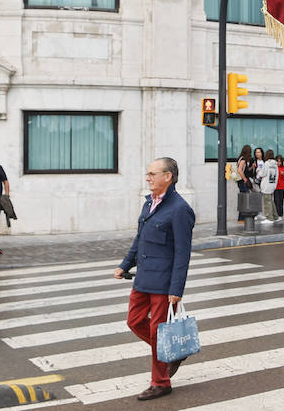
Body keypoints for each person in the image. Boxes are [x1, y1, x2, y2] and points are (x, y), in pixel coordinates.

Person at [116, 157, 195, 402]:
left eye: (152, 173)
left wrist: (176, 289)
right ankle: (170, 354)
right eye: (147, 173)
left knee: (158, 331)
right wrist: (125, 265)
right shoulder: (149, 203)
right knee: (134, 321)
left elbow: (183, 252)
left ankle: (160, 382)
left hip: (163, 283)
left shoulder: (180, 209)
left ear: (167, 177)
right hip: (143, 278)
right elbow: (140, 239)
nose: (148, 178)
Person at [258, 148, 279, 223]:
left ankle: (269, 218)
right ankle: (275, 216)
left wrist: (258, 171)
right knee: (271, 201)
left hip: (266, 185)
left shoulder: (266, 163)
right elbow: (277, 175)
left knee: (267, 202)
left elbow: (263, 173)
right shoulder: (275, 164)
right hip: (272, 185)